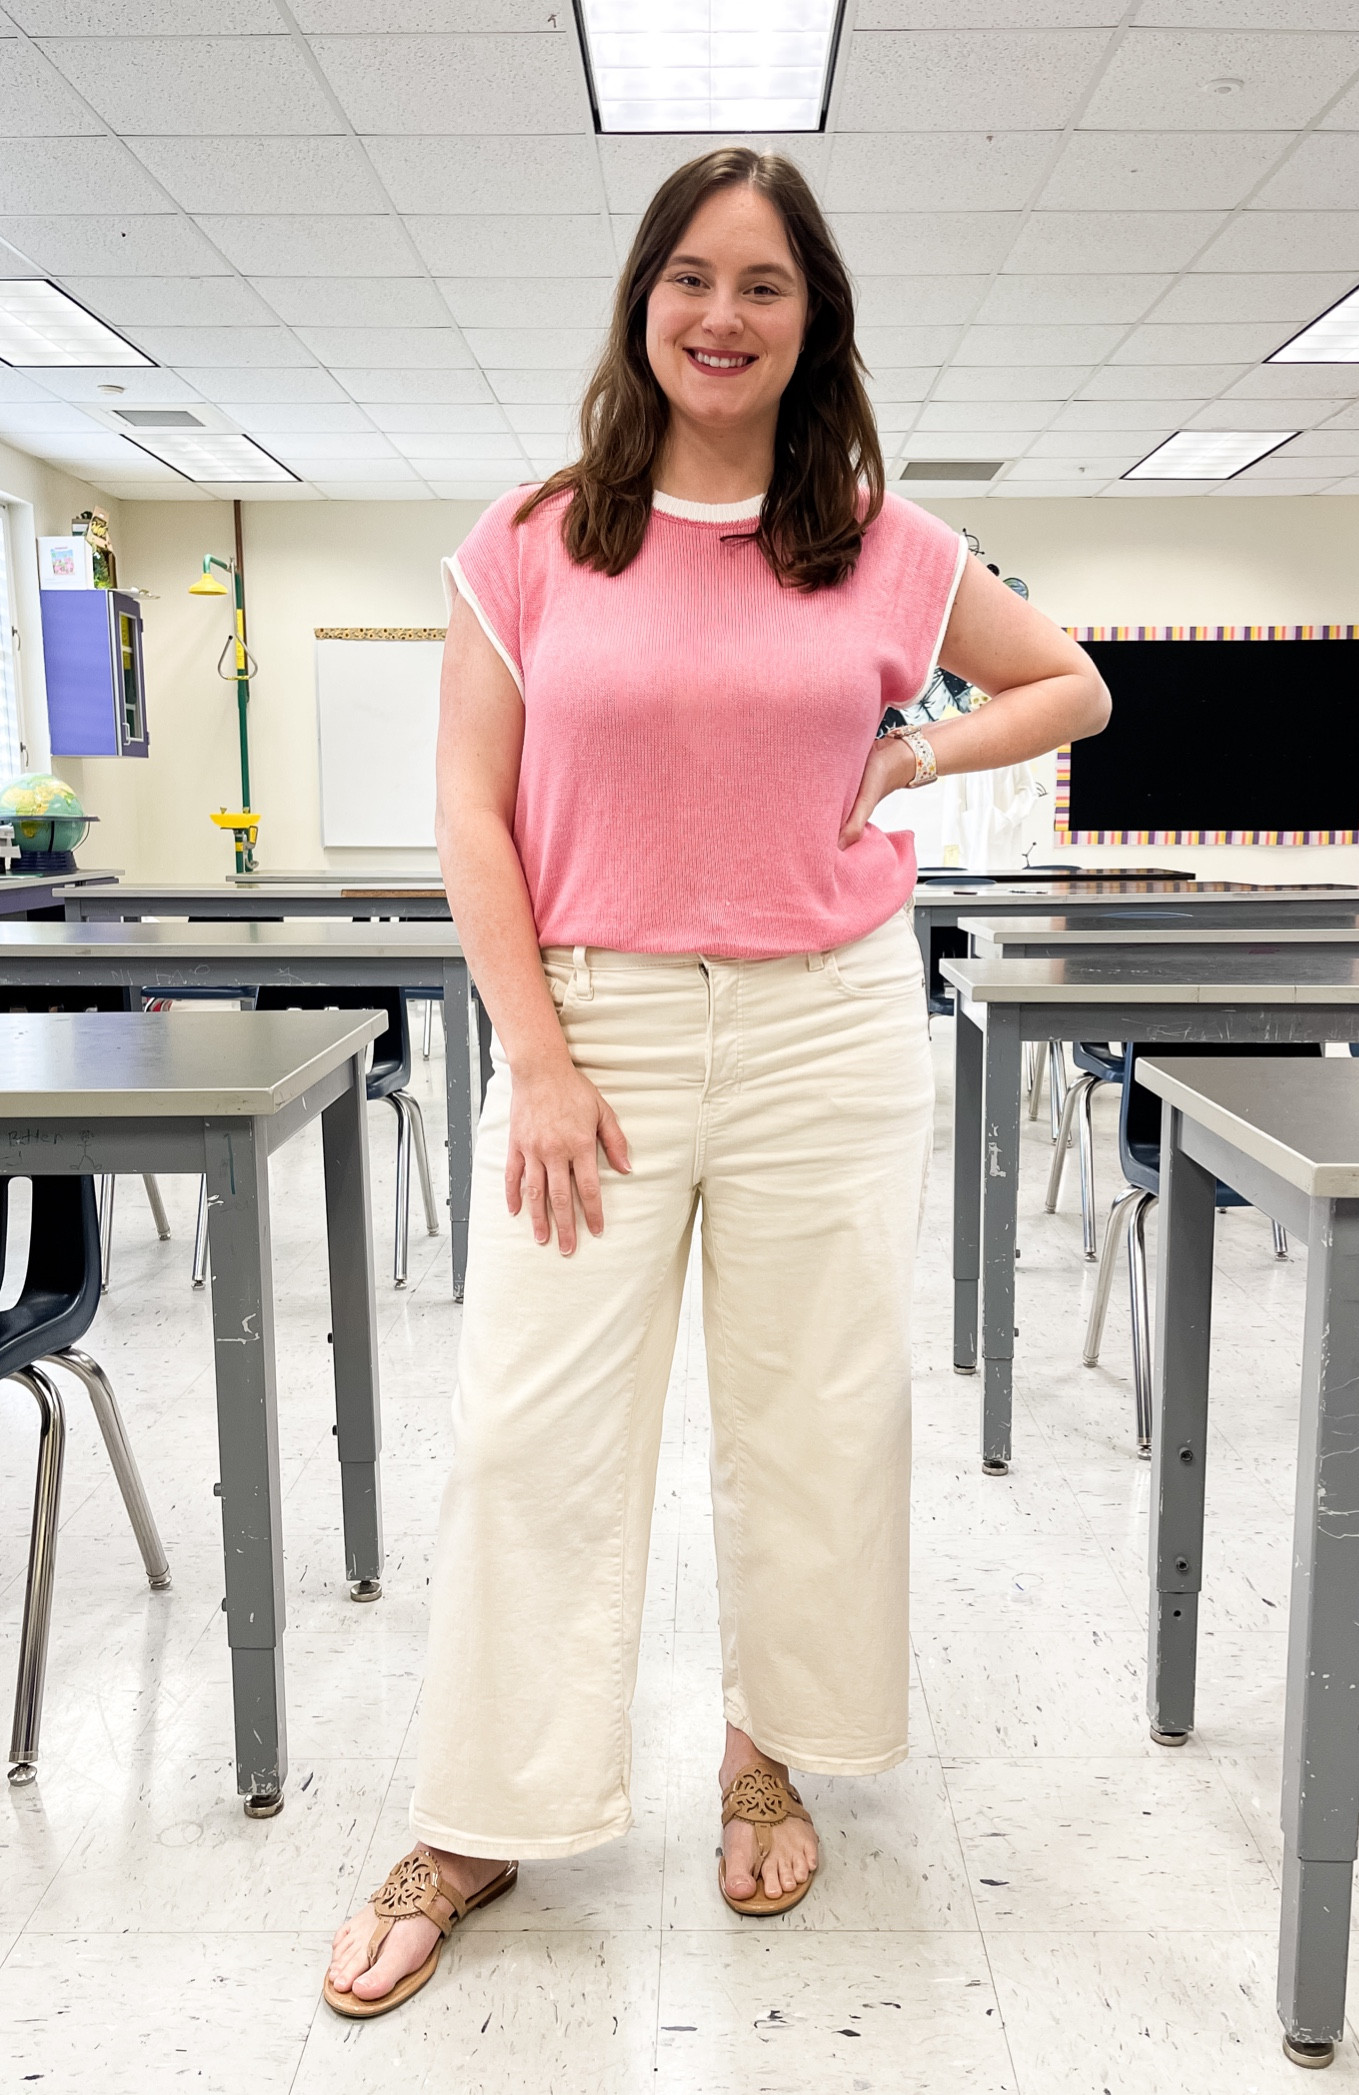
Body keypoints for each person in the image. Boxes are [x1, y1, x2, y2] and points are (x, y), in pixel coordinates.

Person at [325, 145, 1109, 2017]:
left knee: (814, 1412)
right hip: (590, 1027)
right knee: (533, 1427)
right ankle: (480, 1810)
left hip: (827, 1021)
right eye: (689, 277)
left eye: (761, 283)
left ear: (810, 316)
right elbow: (468, 813)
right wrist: (534, 1056)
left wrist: (916, 764)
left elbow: (1067, 685)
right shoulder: (529, 541)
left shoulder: (880, 538)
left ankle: (767, 1743)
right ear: (640, 303)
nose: (721, 315)